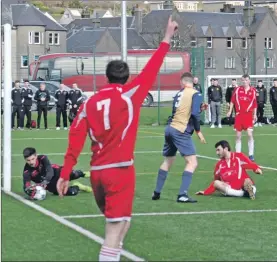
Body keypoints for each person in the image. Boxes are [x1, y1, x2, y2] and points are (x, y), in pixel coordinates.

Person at [56, 16, 178, 262]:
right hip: (120, 171)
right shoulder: (131, 94)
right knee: (113, 232)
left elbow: (75, 138)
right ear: (126, 77)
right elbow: (152, 69)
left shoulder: (89, 103)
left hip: (98, 173)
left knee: (122, 224)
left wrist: (65, 172)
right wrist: (166, 38)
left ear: (106, 77)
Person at [152, 72, 207, 203]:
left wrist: (199, 110)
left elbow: (181, 112)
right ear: (192, 82)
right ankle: (182, 194)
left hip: (170, 128)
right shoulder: (196, 93)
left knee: (168, 160)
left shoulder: (179, 94)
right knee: (192, 162)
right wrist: (198, 131)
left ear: (182, 82)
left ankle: (157, 192)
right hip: (180, 130)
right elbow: (194, 113)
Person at [195, 140, 262, 200]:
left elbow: (250, 164)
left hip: (243, 184)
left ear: (226, 149)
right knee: (216, 183)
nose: (217, 153)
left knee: (247, 181)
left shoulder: (238, 157)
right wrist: (205, 192)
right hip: (230, 187)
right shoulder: (219, 165)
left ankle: (250, 190)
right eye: (216, 150)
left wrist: (256, 169)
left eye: (218, 150)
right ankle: (244, 193)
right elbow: (215, 181)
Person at [22, 147, 91, 200]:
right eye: (28, 160)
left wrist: (44, 182)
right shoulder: (27, 172)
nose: (31, 162)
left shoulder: (43, 158)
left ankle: (82, 174)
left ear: (36, 156)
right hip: (51, 185)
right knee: (70, 192)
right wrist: (29, 191)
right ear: (25, 159)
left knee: (72, 174)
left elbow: (50, 171)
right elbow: (26, 185)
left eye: (33, 159)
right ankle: (78, 186)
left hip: (56, 172)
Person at [227, 74, 257, 161]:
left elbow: (255, 104)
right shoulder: (237, 90)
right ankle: (238, 155)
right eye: (243, 80)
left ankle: (251, 154)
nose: (245, 82)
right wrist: (230, 110)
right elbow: (232, 101)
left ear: (249, 81)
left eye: (246, 80)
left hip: (248, 115)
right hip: (239, 115)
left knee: (249, 134)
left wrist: (254, 114)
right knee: (238, 136)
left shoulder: (253, 91)